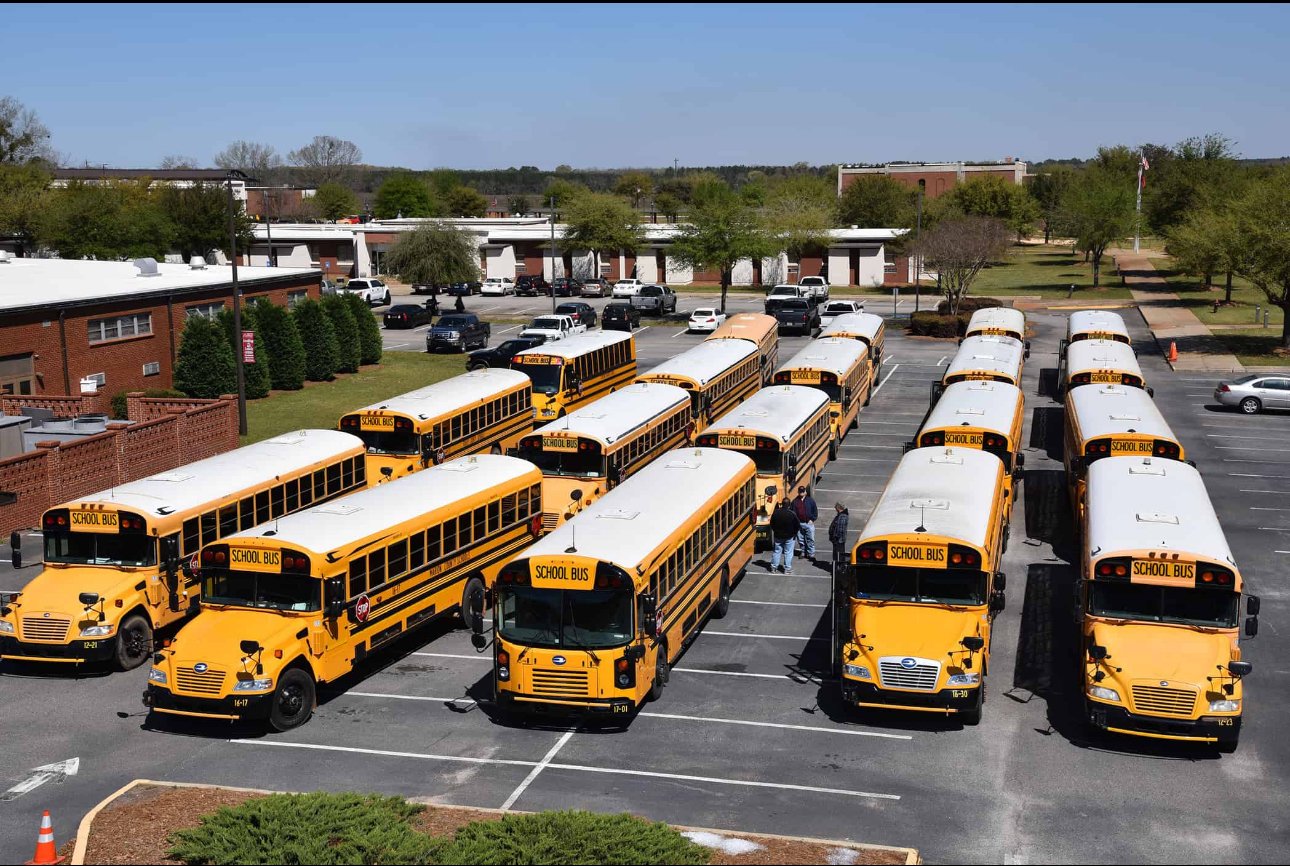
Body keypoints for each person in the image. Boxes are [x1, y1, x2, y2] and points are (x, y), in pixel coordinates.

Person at [769, 500, 799, 574]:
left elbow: (771, 523)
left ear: (781, 504)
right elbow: (797, 525)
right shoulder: (792, 514)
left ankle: (774, 567)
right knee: (788, 552)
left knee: (777, 551)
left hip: (778, 536)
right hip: (789, 536)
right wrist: (794, 533)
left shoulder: (776, 512)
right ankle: (787, 569)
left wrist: (775, 531)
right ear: (789, 505)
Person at [792, 485, 819, 564]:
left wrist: (812, 519)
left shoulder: (810, 501)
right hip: (799, 523)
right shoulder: (795, 501)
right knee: (801, 540)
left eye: (803, 491)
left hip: (808, 523)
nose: (801, 493)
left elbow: (815, 511)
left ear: (805, 492)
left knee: (810, 539)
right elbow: (793, 512)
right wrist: (796, 522)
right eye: (800, 492)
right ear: (798, 492)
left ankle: (811, 554)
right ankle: (803, 552)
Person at [828, 502, 850, 575]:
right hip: (837, 540)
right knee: (837, 555)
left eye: (836, 508)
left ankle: (839, 570)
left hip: (838, 540)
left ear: (838, 508)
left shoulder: (842, 516)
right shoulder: (841, 515)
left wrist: (835, 538)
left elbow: (840, 530)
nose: (835, 509)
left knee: (839, 555)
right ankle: (837, 568)